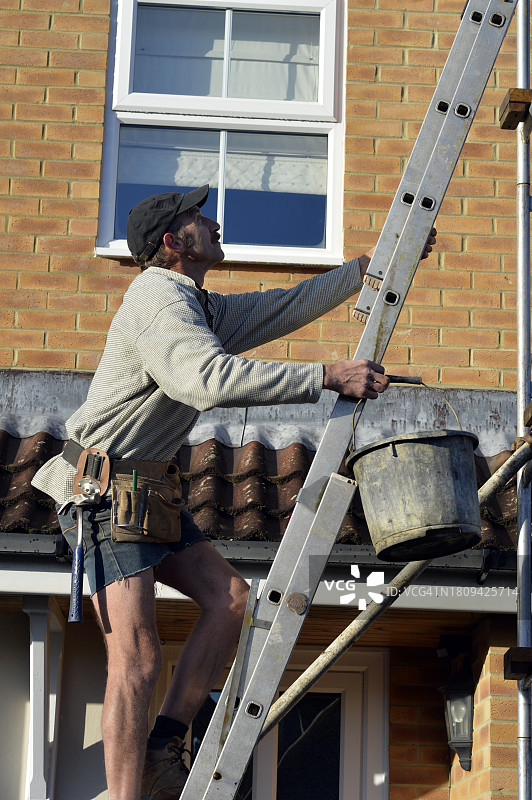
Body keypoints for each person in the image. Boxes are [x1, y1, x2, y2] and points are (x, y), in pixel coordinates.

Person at [32, 185, 436, 800]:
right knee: (136, 660)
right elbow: (207, 380)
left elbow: (278, 308)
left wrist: (363, 272)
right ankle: (124, 795)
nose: (213, 221)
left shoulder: (194, 304)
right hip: (103, 493)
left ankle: (162, 747)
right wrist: (328, 376)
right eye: (198, 217)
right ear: (172, 242)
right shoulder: (156, 299)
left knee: (230, 599)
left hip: (148, 494)